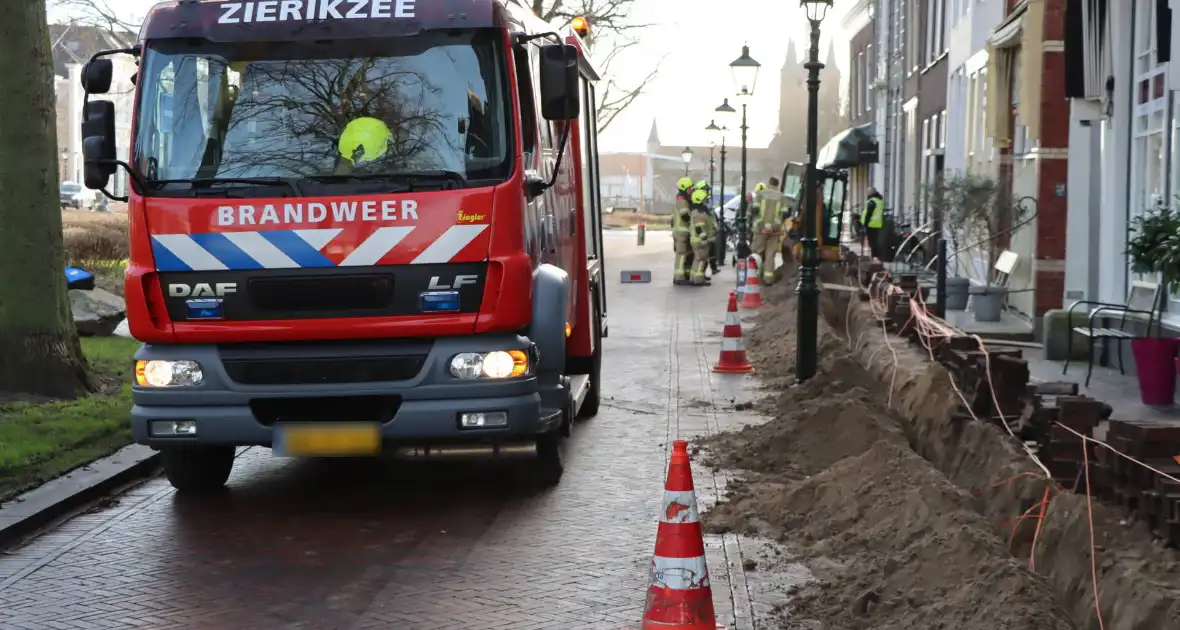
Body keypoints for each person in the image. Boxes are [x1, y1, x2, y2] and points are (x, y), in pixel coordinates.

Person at [751, 177, 785, 285]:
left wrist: (762, 227)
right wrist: (772, 227)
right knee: (770, 255)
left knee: (758, 252)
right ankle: (768, 279)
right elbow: (783, 215)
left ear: (768, 183)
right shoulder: (782, 197)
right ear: (777, 185)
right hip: (774, 231)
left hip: (759, 230)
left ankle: (754, 278)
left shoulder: (760, 194)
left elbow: (755, 212)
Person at [688, 187, 715, 286]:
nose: (707, 201)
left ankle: (693, 278)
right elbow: (699, 227)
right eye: (705, 200)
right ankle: (699, 279)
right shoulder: (699, 213)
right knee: (702, 260)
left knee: (697, 259)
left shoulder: (698, 211)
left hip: (697, 240)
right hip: (700, 241)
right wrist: (704, 239)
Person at [672, 177, 694, 285]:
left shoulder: (685, 200)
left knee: (689, 254)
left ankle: (687, 275)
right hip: (681, 233)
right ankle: (678, 277)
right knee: (681, 254)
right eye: (690, 188)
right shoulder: (681, 200)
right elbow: (685, 215)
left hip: (686, 232)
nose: (691, 190)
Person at [863, 186, 886, 261]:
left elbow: (868, 214)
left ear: (871, 193)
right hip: (878, 224)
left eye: (868, 192)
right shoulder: (879, 201)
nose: (867, 194)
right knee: (875, 241)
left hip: (871, 224)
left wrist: (865, 224)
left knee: (872, 242)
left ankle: (874, 257)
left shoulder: (872, 201)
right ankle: (877, 256)